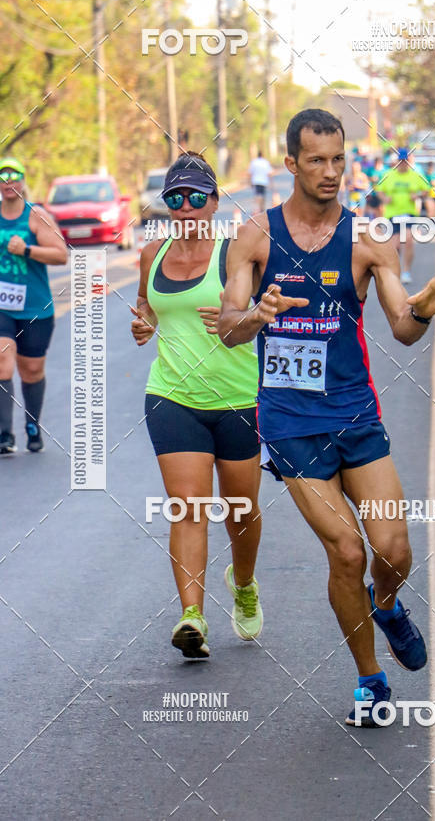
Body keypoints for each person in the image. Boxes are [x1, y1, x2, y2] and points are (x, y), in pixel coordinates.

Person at [218, 109, 435, 726]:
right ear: (292, 163)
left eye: (339, 159)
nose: (331, 172)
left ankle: (387, 606)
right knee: (348, 553)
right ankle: (370, 680)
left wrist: (426, 308)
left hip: (355, 413)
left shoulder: (368, 238)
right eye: (318, 160)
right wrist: (260, 314)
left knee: (394, 548)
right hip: (289, 422)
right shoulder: (254, 236)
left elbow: (404, 329)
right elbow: (227, 331)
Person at [131, 151, 264, 659]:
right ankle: (192, 616)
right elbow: (146, 303)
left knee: (241, 511)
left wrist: (243, 317)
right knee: (187, 506)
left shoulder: (234, 253)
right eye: (175, 198)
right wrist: (144, 321)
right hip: (172, 395)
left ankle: (245, 583)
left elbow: (258, 314)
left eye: (195, 197)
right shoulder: (152, 254)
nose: (185, 207)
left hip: (238, 398)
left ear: (213, 201)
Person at [0, 157, 68, 455]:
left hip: (35, 307)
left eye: (14, 178)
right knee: (3, 362)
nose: (8, 184)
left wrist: (26, 249)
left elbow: (60, 255)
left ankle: (32, 425)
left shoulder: (35, 216)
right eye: (3, 178)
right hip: (2, 307)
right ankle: (4, 435)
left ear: (22, 181)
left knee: (31, 370)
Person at [375, 147, 429, 284]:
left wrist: (416, 195)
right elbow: (379, 191)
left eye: (405, 161)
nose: (403, 164)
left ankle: (406, 271)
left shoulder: (415, 175)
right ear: (397, 161)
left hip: (409, 213)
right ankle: (395, 269)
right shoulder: (388, 175)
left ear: (408, 161)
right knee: (395, 245)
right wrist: (385, 199)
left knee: (409, 240)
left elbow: (427, 190)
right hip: (392, 214)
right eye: (401, 161)